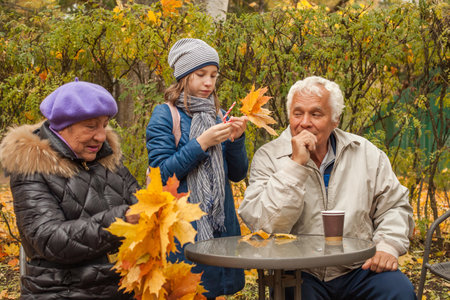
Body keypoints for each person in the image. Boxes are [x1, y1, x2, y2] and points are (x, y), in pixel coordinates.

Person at [238, 76, 417, 299]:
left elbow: (394, 206)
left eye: (316, 114)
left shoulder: (365, 153)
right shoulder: (269, 157)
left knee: (399, 291)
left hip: (358, 268)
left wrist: (387, 246)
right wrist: (295, 165)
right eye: (297, 113)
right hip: (299, 272)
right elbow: (268, 225)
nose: (304, 122)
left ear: (335, 120)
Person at [0, 79, 140, 299]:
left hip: (123, 282)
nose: (101, 136)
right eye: (91, 126)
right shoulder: (32, 167)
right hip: (62, 289)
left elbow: (138, 201)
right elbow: (50, 240)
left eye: (104, 125)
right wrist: (119, 221)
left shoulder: (106, 158)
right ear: (63, 127)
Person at [146, 38, 248, 299]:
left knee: (217, 291)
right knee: (188, 291)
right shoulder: (166, 115)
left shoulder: (219, 115)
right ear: (183, 77)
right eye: (201, 74)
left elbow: (236, 174)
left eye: (214, 75)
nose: (209, 83)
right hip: (184, 228)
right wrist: (201, 143)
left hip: (221, 227)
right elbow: (161, 174)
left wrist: (236, 140)